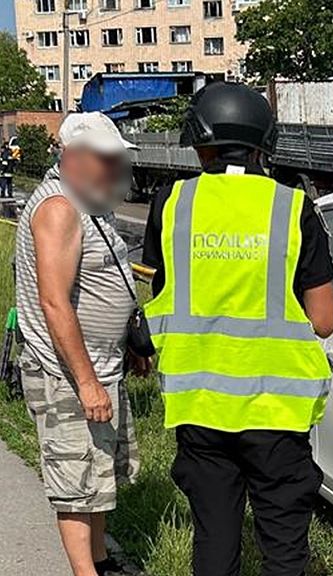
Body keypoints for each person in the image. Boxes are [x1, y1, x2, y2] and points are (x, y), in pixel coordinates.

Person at [141, 82, 333, 576]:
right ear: (262, 143)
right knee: (283, 547)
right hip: (276, 410)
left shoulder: (172, 205)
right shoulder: (292, 207)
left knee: (214, 539)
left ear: (199, 142)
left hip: (200, 407)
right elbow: (324, 320)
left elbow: (162, 297)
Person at [14, 112, 142, 576]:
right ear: (72, 157)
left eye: (116, 160)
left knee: (97, 474)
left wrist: (126, 340)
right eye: (104, 160)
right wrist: (87, 382)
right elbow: (54, 302)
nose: (112, 170)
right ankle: (85, 572)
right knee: (75, 481)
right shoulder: (59, 209)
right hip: (66, 375)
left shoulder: (88, 202)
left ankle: (101, 561)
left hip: (99, 365)